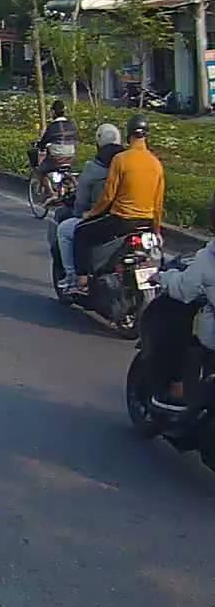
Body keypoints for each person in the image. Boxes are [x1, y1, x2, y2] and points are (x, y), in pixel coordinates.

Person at [71, 113, 165, 294]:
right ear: (146, 135)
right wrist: (157, 230)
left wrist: (91, 214)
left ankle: (82, 282)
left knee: (80, 232)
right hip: (145, 222)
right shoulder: (156, 164)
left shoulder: (121, 159)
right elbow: (158, 204)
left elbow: (108, 196)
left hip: (121, 221)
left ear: (128, 135)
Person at [153, 190, 215, 410]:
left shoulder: (209, 257)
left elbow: (184, 290)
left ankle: (177, 388)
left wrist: (162, 277)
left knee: (176, 323)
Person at [55, 124, 124, 290]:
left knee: (65, 230)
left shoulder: (94, 167)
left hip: (106, 219)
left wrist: (81, 213)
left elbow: (81, 202)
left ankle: (74, 277)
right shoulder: (128, 163)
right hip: (135, 218)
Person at [33, 99, 79, 203]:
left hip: (56, 158)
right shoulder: (71, 125)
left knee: (40, 171)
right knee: (67, 171)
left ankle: (51, 193)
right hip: (70, 156)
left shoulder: (52, 127)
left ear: (53, 112)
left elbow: (43, 142)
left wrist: (39, 145)